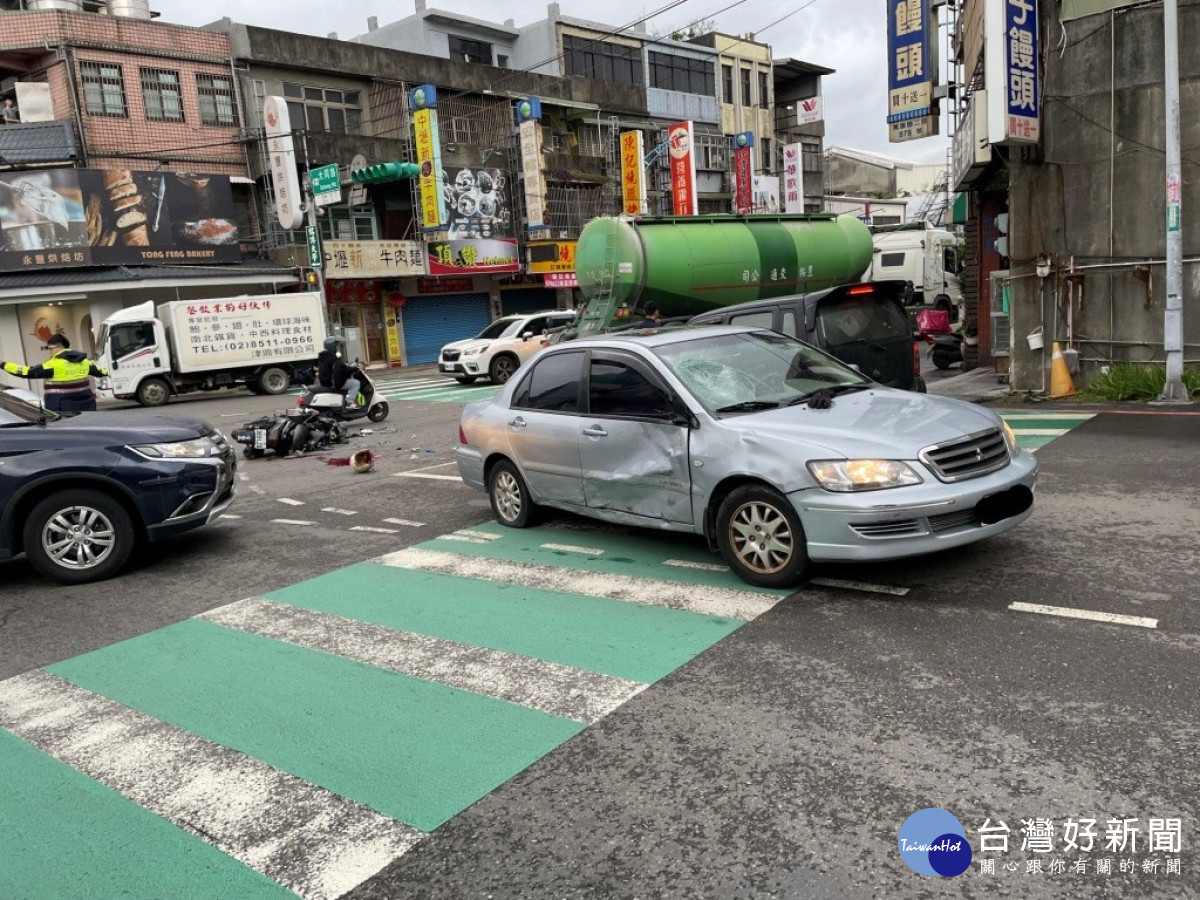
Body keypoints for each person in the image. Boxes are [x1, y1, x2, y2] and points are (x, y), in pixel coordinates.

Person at [0, 334, 106, 412]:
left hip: (64, 411)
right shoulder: (84, 362)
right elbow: (102, 372)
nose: (50, 352)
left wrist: (3, 364)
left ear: (60, 347)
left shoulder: (53, 365)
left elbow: (26, 372)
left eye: (50, 349)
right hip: (87, 407)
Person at [316, 336, 360, 407]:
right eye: (336, 345)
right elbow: (343, 371)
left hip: (325, 381)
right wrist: (354, 369)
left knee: (348, 381)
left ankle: (344, 399)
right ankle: (350, 402)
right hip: (333, 382)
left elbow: (337, 368)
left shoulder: (324, 356)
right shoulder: (333, 357)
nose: (337, 347)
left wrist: (347, 366)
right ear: (332, 346)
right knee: (356, 383)